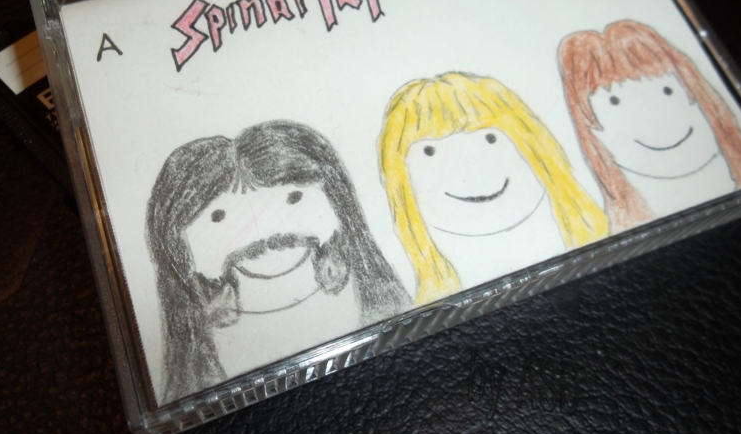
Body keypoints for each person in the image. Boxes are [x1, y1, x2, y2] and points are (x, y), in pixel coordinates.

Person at [146, 120, 409, 403]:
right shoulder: (200, 370)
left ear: (338, 204)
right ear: (177, 249)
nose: (264, 230)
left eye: (293, 197)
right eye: (218, 216)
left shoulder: (385, 310)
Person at [379, 72, 608, 305]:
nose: (469, 168)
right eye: (430, 151)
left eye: (490, 138)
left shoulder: (596, 241)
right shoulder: (438, 296)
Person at [558, 20, 741, 233]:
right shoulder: (618, 223)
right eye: (614, 102)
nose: (654, 118)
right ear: (588, 128)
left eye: (667, 91)